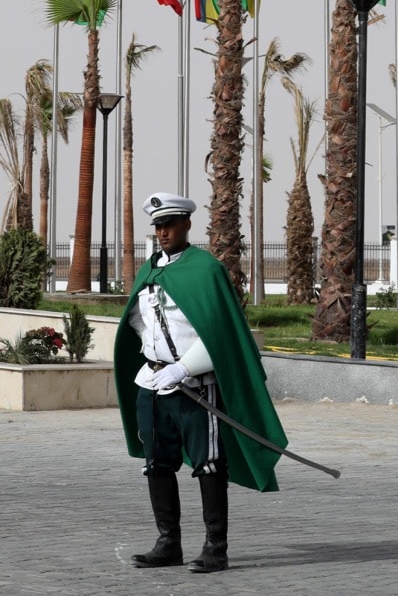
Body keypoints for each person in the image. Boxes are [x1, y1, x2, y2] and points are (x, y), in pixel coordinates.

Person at [113, 192, 286, 573]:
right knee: (157, 463)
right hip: (154, 381)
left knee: (208, 466)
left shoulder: (205, 269)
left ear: (186, 224)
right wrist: (150, 353)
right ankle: (168, 543)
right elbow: (139, 320)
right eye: (157, 226)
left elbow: (220, 335)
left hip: (194, 384)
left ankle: (215, 548)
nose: (162, 232)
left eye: (169, 224)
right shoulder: (150, 270)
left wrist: (183, 368)